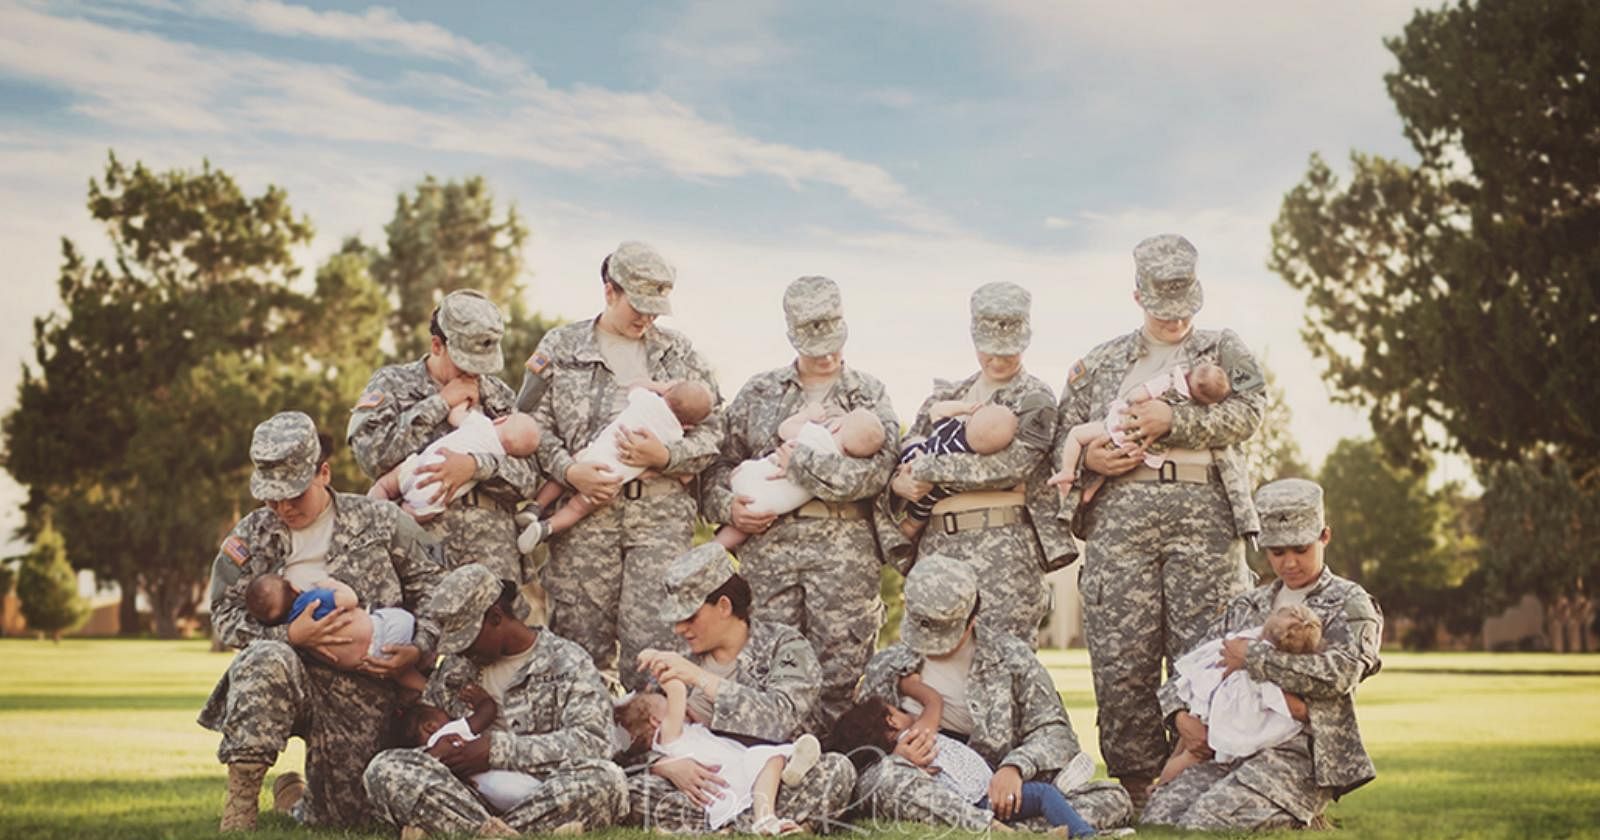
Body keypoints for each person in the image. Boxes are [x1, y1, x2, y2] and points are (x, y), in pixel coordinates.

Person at [1050, 234, 1266, 810]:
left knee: (1208, 653)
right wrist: (1089, 459)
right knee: (1123, 657)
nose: (1176, 321)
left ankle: (1209, 778)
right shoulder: (1098, 363)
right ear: (1137, 296)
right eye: (1163, 309)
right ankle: (1137, 788)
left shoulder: (1222, 349)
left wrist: (1176, 420)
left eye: (1185, 308)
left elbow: (1251, 411)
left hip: (1206, 517)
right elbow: (1059, 437)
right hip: (1122, 519)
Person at [198, 411, 445, 831]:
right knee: (265, 658)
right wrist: (287, 634)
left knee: (346, 819)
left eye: (293, 495)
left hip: (365, 685)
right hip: (289, 675)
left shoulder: (380, 521)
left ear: (323, 472)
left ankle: (295, 796)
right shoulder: (252, 535)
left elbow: (436, 590)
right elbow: (224, 612)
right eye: (272, 497)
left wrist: (418, 649)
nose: (282, 507)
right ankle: (240, 809)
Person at [521, 242, 723, 690]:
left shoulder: (679, 354)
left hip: (659, 521)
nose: (647, 318)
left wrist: (667, 457)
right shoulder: (561, 347)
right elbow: (531, 425)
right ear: (610, 290)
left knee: (655, 650)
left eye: (656, 309)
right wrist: (568, 471)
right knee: (576, 650)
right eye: (639, 305)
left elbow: (715, 431)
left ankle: (653, 752)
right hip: (584, 520)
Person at [701, 276, 899, 732]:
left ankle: (837, 774)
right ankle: (772, 771)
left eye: (833, 339)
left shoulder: (868, 394)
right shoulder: (759, 393)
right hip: (769, 549)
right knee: (768, 667)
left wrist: (803, 466)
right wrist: (730, 508)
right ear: (791, 334)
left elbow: (877, 473)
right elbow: (716, 468)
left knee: (842, 672)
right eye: (814, 343)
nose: (826, 353)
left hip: (843, 552)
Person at [1143, 479, 1383, 831]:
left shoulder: (1348, 602)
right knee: (1159, 817)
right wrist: (1180, 717)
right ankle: (1279, 811)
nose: (1288, 563)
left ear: (1325, 536)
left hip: (1300, 754)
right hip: (1229, 746)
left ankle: (1300, 812)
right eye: (1276, 552)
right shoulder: (1248, 604)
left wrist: (1254, 659)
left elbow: (1341, 673)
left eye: (1300, 549)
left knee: (1206, 822)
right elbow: (1193, 667)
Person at [850, 555, 1134, 834]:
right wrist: (897, 757)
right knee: (883, 779)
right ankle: (1010, 831)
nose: (932, 643)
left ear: (971, 619)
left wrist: (1015, 767)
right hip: (927, 790)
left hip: (1001, 790)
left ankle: (1001, 829)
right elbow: (860, 748)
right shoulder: (887, 667)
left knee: (1113, 799)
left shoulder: (1011, 658)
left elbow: (1055, 732)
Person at [363, 565, 630, 837]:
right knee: (385, 769)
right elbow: (434, 730)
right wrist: (439, 752)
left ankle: (465, 831)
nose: (462, 650)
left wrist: (496, 751)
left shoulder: (566, 660)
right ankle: (496, 832)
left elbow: (593, 741)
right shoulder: (457, 669)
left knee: (607, 780)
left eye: (467, 639)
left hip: (544, 792)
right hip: (467, 796)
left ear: (495, 617)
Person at [879, 281, 1068, 644]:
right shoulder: (947, 396)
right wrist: (898, 484)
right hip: (936, 548)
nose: (997, 359)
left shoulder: (1034, 399)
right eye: (989, 350)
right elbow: (904, 454)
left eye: (1007, 351)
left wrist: (931, 471)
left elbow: (1013, 466)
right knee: (931, 667)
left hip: (1004, 549)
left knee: (1003, 666)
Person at [624, 543, 857, 833]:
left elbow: (781, 719)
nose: (679, 629)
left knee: (836, 770)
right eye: (677, 620)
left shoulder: (785, 645)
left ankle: (736, 826)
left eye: (690, 617)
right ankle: (764, 825)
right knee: (633, 789)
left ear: (724, 606)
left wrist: (701, 679)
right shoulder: (679, 656)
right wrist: (663, 765)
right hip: (705, 788)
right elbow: (641, 735)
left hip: (773, 776)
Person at [348, 289, 541, 587]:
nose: (476, 374)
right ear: (437, 345)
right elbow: (372, 456)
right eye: (466, 363)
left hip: (492, 552)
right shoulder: (394, 384)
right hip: (421, 546)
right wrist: (438, 403)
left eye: (484, 364)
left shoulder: (499, 396)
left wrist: (475, 466)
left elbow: (529, 479)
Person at [827, 696, 1113, 837]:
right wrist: (913, 684)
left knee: (1060, 796)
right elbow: (933, 704)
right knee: (1044, 795)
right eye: (898, 711)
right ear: (890, 722)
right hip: (979, 798)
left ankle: (1047, 822)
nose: (906, 713)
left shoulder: (900, 754)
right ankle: (1085, 834)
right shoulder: (915, 738)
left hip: (976, 796)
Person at [518, 379, 714, 551]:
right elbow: (685, 473)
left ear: (669, 393)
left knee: (563, 475)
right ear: (689, 426)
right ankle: (546, 527)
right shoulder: (675, 436)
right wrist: (659, 466)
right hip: (611, 478)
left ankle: (535, 507)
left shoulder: (647, 401)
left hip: (592, 454)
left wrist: (659, 387)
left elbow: (635, 385)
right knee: (577, 508)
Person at [615, 674, 823, 833]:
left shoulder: (684, 732)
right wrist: (668, 673)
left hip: (734, 771)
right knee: (770, 759)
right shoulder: (668, 735)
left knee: (772, 760)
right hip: (730, 775)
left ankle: (784, 776)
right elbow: (677, 690)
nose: (678, 707)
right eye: (664, 703)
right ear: (655, 721)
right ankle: (764, 817)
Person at [1154, 603, 1323, 786]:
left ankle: (1159, 785)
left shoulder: (1244, 644)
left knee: (1186, 750)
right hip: (1225, 709)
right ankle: (1161, 786)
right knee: (1191, 753)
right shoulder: (1262, 668)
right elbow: (1289, 706)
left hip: (1210, 701)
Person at [1049, 361, 1231, 502]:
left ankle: (1067, 471)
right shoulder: (1194, 408)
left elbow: (1137, 396)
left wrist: (1130, 399)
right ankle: (1091, 491)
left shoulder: (1170, 381)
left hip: (1121, 428)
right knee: (1113, 465)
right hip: (1144, 452)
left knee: (1076, 434)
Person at [714, 406, 887, 550]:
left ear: (836, 427)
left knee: (750, 485)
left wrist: (806, 415)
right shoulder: (840, 463)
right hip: (775, 505)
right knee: (751, 518)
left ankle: (711, 550)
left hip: (753, 479)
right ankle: (719, 546)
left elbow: (784, 429)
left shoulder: (817, 434)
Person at [366, 400, 542, 522]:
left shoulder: (481, 423)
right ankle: (399, 514)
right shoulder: (501, 457)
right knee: (407, 517)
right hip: (433, 494)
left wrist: (464, 402)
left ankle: (369, 511)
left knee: (385, 485)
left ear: (501, 419)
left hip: (418, 466)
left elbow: (455, 414)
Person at [244, 573, 425, 690]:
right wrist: (334, 584)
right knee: (405, 619)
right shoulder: (312, 600)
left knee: (402, 673)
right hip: (382, 632)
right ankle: (428, 667)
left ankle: (423, 687)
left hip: (366, 664)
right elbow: (350, 600)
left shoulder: (297, 630)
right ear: (293, 588)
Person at [403, 684, 545, 814]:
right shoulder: (446, 734)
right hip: (515, 784)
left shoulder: (430, 762)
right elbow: (487, 714)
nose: (451, 719)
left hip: (491, 798)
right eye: (445, 715)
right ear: (430, 726)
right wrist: (482, 700)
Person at [895, 401, 1019, 540]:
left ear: (969, 420)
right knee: (913, 524)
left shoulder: (953, 433)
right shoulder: (977, 463)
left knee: (911, 442)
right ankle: (904, 537)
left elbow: (936, 410)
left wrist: (966, 407)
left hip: (913, 463)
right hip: (932, 497)